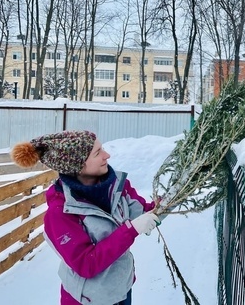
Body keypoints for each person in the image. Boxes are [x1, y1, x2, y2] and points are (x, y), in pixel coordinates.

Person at [10, 130, 160, 305]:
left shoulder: (117, 187)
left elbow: (145, 213)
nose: (107, 155)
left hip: (122, 289)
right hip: (89, 299)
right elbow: (86, 264)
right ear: (78, 166)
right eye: (97, 152)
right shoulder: (60, 213)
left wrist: (170, 200)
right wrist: (131, 230)